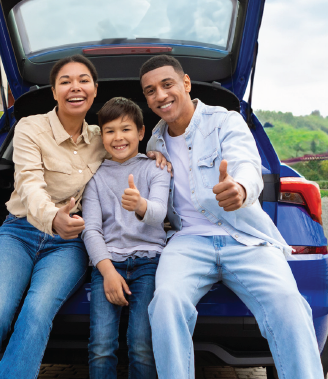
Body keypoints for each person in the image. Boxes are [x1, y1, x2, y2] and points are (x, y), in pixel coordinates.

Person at [0, 55, 168, 379]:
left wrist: (154, 150)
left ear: (94, 90)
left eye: (83, 80)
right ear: (54, 91)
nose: (75, 87)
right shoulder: (30, 127)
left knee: (37, 312)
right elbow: (29, 182)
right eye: (65, 81)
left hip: (68, 244)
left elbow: (128, 139)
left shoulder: (102, 136)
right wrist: (53, 217)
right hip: (20, 232)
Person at [139, 55, 324, 379]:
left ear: (185, 83)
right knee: (165, 302)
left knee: (289, 304)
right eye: (150, 90)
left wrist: (239, 187)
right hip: (188, 242)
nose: (160, 95)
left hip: (246, 238)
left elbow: (246, 164)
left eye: (167, 85)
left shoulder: (224, 121)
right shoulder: (155, 140)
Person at [81, 97, 170, 379]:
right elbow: (91, 229)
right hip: (108, 264)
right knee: (101, 346)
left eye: (126, 129)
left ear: (141, 133)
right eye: (109, 131)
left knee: (142, 344)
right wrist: (106, 271)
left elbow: (158, 212)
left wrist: (140, 205)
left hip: (149, 263)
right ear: (101, 135)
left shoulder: (156, 168)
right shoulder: (94, 177)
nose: (118, 137)